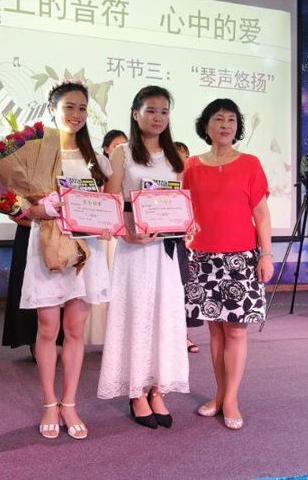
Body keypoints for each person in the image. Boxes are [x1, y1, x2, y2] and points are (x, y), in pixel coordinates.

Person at [20, 80, 112, 440]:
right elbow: (20, 209)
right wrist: (43, 208)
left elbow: (107, 208)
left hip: (86, 251)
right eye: (68, 107)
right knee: (47, 328)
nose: (76, 114)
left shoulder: (97, 160)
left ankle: (69, 402)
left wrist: (107, 223)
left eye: (82, 108)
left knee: (75, 330)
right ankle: (49, 402)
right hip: (48, 248)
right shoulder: (36, 154)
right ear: (52, 110)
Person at [98, 86, 189, 430]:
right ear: (136, 114)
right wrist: (126, 232)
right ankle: (136, 391)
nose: (158, 117)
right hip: (134, 249)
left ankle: (158, 389)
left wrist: (186, 224)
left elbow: (180, 201)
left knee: (164, 316)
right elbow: (110, 202)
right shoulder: (122, 153)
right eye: (151, 110)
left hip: (165, 252)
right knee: (136, 316)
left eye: (164, 111)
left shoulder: (175, 156)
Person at [183, 98, 273, 430]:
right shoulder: (190, 166)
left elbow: (261, 214)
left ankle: (231, 398)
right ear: (205, 125)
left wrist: (266, 254)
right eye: (218, 119)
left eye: (231, 120)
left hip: (240, 258)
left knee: (235, 330)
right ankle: (219, 394)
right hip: (203, 258)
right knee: (215, 331)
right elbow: (182, 210)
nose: (225, 125)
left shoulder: (250, 163)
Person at [174, 141, 202, 355]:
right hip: (165, 242)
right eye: (177, 155)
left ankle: (183, 336)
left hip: (190, 245)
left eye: (185, 156)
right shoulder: (161, 182)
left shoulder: (194, 181)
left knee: (184, 291)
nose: (182, 160)